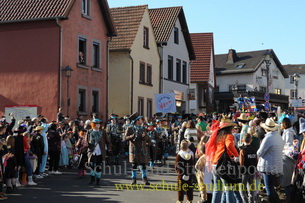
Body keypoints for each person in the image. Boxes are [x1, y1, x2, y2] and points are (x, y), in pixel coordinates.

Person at [205, 116, 239, 203]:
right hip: (223, 164)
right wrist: (236, 155)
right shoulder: (228, 136)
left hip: (215, 163)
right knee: (228, 189)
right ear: (229, 127)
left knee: (217, 189)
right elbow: (229, 145)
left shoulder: (217, 135)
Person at [257, 118, 284, 203]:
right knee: (271, 187)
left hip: (268, 165)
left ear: (266, 129)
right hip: (277, 164)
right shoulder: (279, 137)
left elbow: (259, 153)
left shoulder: (268, 138)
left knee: (269, 188)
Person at [124, 112, 151, 185]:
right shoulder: (129, 128)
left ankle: (144, 178)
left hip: (142, 148)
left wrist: (144, 136)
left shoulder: (143, 128)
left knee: (143, 164)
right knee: (134, 165)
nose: (142, 120)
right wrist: (132, 136)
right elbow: (125, 138)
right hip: (134, 149)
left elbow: (147, 138)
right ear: (137, 121)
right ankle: (134, 179)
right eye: (140, 119)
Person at [87, 119, 112, 185]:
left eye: (99, 124)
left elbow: (108, 141)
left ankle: (98, 180)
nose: (98, 125)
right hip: (92, 151)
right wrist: (88, 146)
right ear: (93, 124)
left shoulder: (103, 132)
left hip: (100, 151)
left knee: (98, 166)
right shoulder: (90, 131)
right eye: (96, 124)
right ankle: (92, 179)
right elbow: (86, 141)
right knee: (91, 166)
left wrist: (109, 149)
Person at [281, 117, 297, 202]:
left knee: (286, 181)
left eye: (281, 123)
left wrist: (283, 149)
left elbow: (289, 145)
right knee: (287, 180)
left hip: (287, 157)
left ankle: (290, 198)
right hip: (288, 157)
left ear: (284, 124)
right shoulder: (289, 132)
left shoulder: (288, 133)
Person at [239, 133, 257, 203]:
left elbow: (241, 163)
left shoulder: (243, 150)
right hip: (252, 170)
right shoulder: (254, 149)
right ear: (251, 140)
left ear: (243, 140)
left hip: (245, 171)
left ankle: (245, 201)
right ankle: (251, 201)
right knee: (251, 188)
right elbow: (256, 160)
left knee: (242, 189)